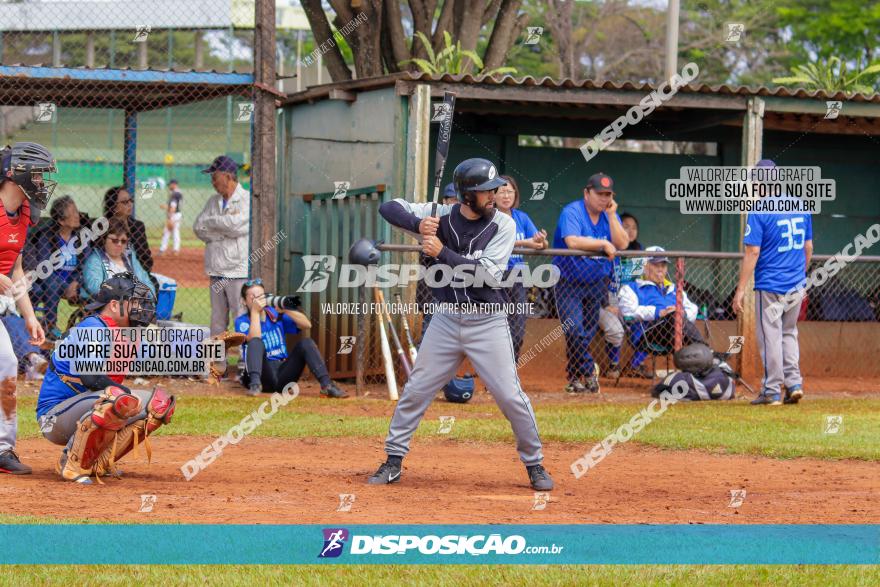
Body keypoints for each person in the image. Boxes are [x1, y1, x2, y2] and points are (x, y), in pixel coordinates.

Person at [367, 158, 554, 492]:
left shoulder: (504, 225)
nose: (495, 195)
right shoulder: (440, 213)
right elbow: (388, 207)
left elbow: (485, 276)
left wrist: (440, 251)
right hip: (446, 319)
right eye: (487, 191)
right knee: (417, 389)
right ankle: (393, 461)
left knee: (511, 396)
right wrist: (419, 222)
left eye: (495, 190)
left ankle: (534, 464)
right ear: (468, 195)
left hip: (488, 320)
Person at [36, 273, 175, 484]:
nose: (140, 308)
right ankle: (71, 463)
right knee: (117, 398)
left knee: (159, 404)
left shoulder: (125, 333)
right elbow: (91, 378)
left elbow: (166, 352)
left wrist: (207, 351)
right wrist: (126, 394)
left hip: (85, 408)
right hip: (54, 419)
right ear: (113, 304)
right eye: (134, 302)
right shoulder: (93, 328)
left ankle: (98, 462)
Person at [733, 159, 813, 406]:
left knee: (771, 336)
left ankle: (771, 391)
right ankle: (794, 384)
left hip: (770, 284)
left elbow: (752, 252)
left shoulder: (759, 210)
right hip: (795, 283)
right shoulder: (800, 205)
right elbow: (808, 248)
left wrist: (740, 290)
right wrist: (800, 274)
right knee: (789, 333)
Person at [0, 142, 55, 475]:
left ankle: (3, 448)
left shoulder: (22, 216)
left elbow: (16, 269)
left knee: (7, 364)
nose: (40, 182)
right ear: (13, 173)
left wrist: (30, 317)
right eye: (35, 174)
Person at [552, 172, 629, 394]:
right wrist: (603, 244)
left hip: (595, 284)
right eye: (599, 194)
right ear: (587, 193)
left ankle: (576, 379)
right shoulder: (573, 211)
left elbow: (622, 242)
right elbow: (572, 240)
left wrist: (613, 216)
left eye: (608, 195)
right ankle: (589, 370)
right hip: (568, 281)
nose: (603, 199)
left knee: (585, 332)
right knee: (574, 328)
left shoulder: (608, 215)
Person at [235, 280, 347, 398]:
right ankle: (255, 386)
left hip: (283, 373)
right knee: (255, 342)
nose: (259, 301)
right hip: (262, 375)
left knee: (306, 343)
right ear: (244, 301)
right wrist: (255, 312)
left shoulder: (274, 314)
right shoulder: (241, 321)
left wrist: (285, 309)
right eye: (254, 297)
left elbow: (307, 325)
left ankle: (327, 386)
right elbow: (254, 338)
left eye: (262, 297)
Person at [193, 156, 249, 343]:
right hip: (216, 269)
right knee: (217, 321)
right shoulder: (212, 201)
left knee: (241, 318)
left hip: (237, 271)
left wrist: (213, 222)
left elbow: (238, 227)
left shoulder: (246, 199)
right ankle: (218, 365)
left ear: (227, 176)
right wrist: (221, 233)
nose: (212, 182)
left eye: (214, 177)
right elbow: (198, 227)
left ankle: (245, 363)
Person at [618, 246, 705, 357]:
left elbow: (693, 308)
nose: (660, 269)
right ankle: (707, 352)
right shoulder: (632, 288)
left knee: (676, 314)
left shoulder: (674, 288)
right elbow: (628, 312)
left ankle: (704, 355)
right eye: (656, 265)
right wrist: (658, 312)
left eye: (663, 265)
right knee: (673, 315)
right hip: (647, 335)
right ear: (645, 267)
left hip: (675, 333)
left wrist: (682, 312)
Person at [495, 175, 547, 359]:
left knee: (517, 329)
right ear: (492, 194)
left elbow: (540, 243)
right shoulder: (488, 217)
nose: (506, 195)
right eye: (501, 191)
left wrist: (541, 241)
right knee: (495, 328)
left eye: (510, 191)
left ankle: (511, 369)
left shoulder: (521, 217)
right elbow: (500, 243)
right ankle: (493, 372)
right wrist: (529, 243)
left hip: (518, 278)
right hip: (494, 278)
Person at [23, 195, 86, 339]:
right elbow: (45, 267)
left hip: (73, 283)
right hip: (49, 280)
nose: (78, 215)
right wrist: (63, 284)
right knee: (52, 283)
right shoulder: (47, 236)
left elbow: (84, 265)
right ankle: (50, 325)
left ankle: (91, 329)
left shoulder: (80, 238)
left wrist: (76, 282)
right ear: (61, 220)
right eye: (74, 213)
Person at [600, 212, 647, 379]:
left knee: (645, 325)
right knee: (616, 329)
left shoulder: (639, 252)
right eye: (626, 226)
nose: (631, 230)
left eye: (634, 228)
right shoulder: (608, 248)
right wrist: (607, 304)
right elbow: (600, 280)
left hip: (630, 299)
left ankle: (635, 365)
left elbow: (639, 283)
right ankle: (614, 364)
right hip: (608, 298)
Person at [416, 182, 459, 341]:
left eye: (458, 199)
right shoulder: (433, 221)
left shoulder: (464, 224)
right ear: (444, 200)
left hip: (459, 291)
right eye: (452, 199)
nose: (456, 203)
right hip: (434, 288)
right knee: (429, 332)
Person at [81, 217, 156, 301]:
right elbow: (94, 287)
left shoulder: (130, 259)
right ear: (104, 239)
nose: (119, 244)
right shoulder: (95, 260)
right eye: (115, 240)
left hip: (133, 307)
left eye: (123, 241)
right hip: (107, 308)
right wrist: (127, 293)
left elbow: (148, 285)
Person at [103, 186, 153, 276]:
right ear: (114, 206)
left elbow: (146, 258)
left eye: (131, 200)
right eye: (125, 202)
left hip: (136, 275)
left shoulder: (138, 226)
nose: (130, 204)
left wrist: (139, 275)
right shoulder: (103, 227)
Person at [0, 296, 47, 381]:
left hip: (11, 315)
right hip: (5, 318)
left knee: (22, 324)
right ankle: (34, 360)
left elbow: (20, 291)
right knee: (10, 322)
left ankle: (30, 366)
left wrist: (30, 318)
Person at [159, 179, 183, 256]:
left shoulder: (174, 194)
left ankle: (162, 250)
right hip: (177, 214)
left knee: (166, 232)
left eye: (170, 184)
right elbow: (173, 206)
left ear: (174, 184)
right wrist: (166, 206)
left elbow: (173, 207)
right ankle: (176, 250)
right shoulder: (178, 193)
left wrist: (169, 218)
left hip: (174, 215)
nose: (169, 186)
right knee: (175, 232)